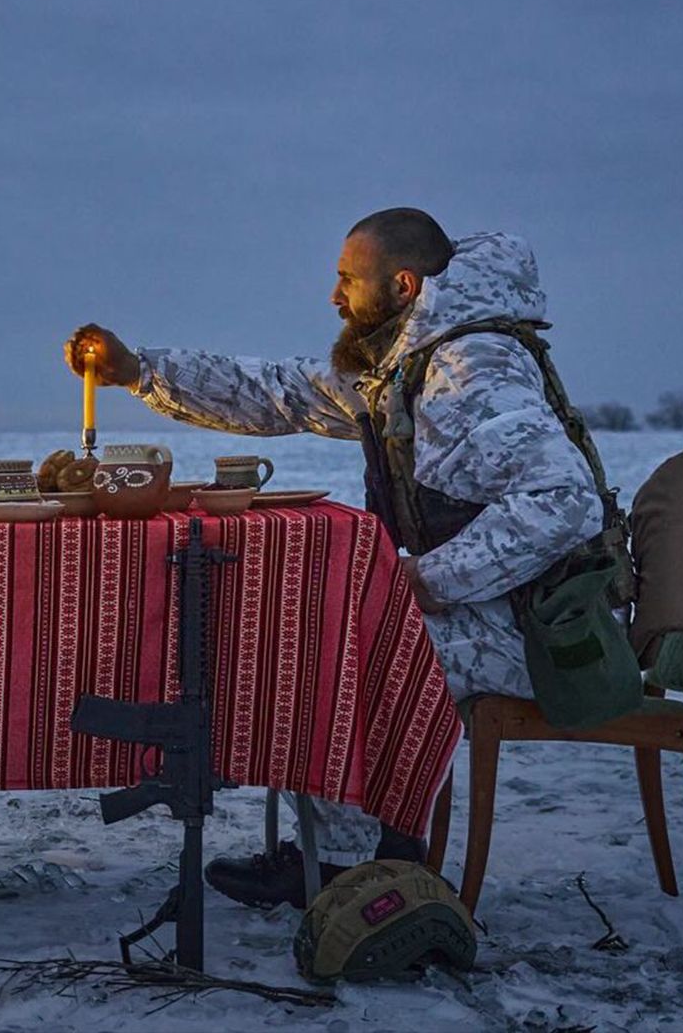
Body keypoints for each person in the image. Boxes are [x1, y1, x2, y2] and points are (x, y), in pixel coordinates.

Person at [66, 208, 623, 908]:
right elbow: (282, 392)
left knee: (338, 653)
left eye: (347, 280)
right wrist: (139, 371)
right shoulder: (412, 365)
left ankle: (343, 866)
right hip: (510, 612)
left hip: (549, 636)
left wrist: (430, 579)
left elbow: (563, 500)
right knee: (328, 633)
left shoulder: (471, 371)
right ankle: (360, 853)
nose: (334, 297)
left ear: (402, 286)